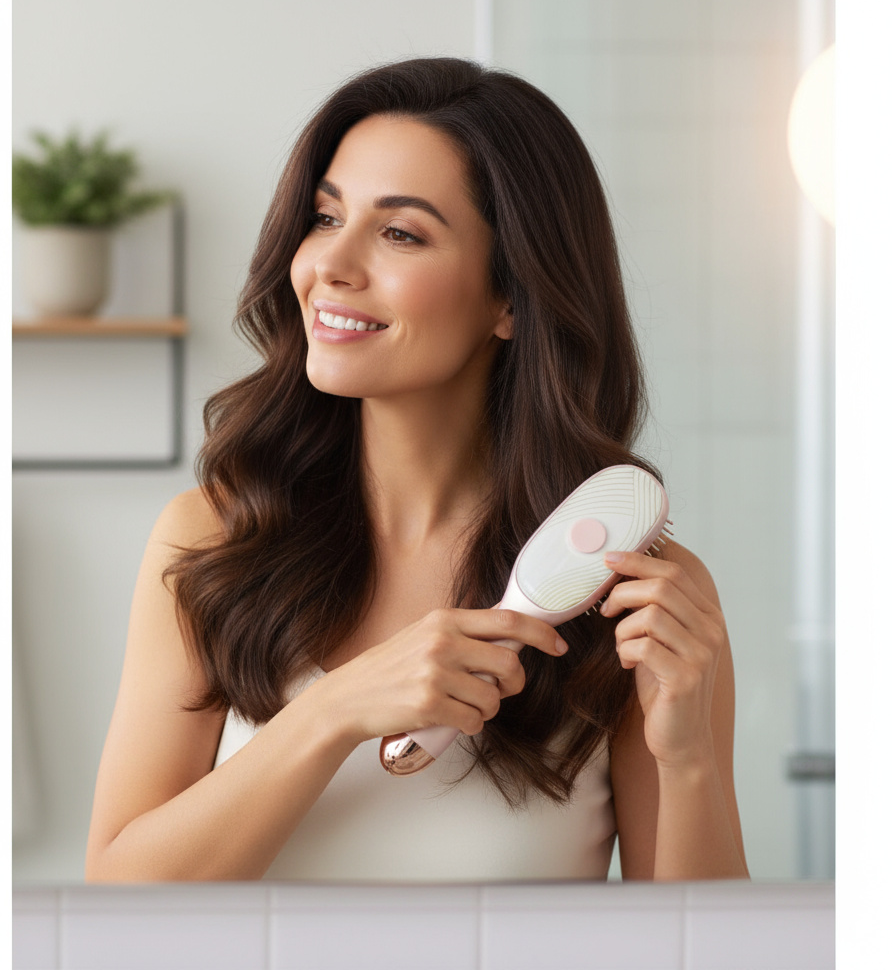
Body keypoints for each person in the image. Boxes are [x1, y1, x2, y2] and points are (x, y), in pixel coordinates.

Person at [85, 57, 748, 882]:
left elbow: (704, 939)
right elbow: (117, 899)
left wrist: (688, 760)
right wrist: (333, 710)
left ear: (511, 297)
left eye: (400, 233)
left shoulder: (631, 597)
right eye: (325, 217)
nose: (331, 265)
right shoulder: (215, 539)